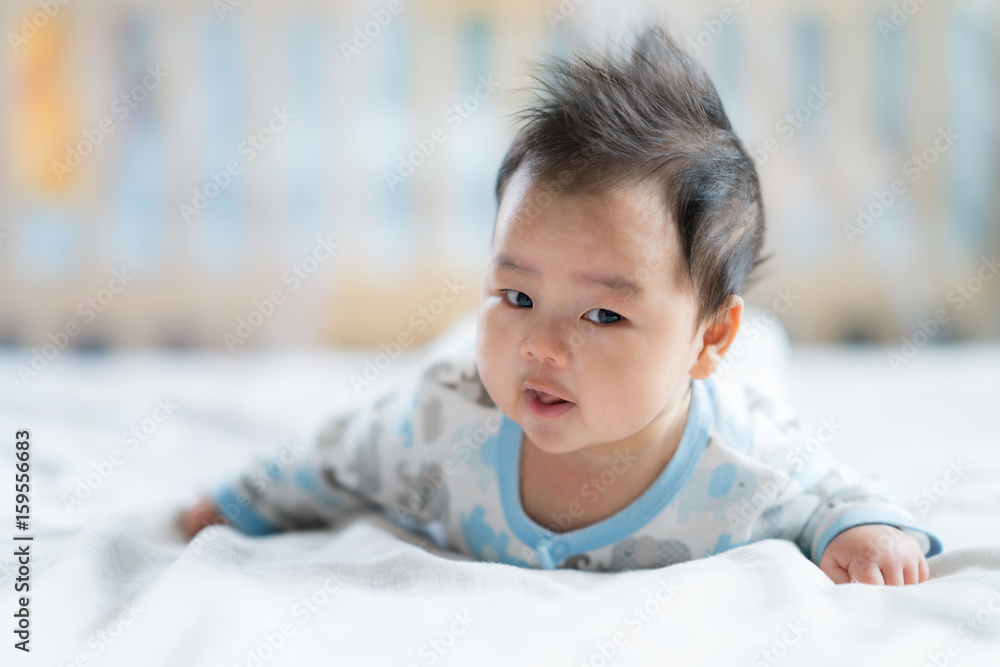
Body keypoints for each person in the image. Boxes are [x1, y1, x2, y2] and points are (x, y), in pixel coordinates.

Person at [181, 23, 941, 584]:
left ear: (710, 337)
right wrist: (239, 502)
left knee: (760, 374)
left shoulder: (743, 470)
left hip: (724, 385)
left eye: (603, 314)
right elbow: (337, 457)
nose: (542, 345)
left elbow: (834, 492)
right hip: (480, 369)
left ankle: (743, 343)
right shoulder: (443, 421)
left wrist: (864, 529)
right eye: (515, 294)